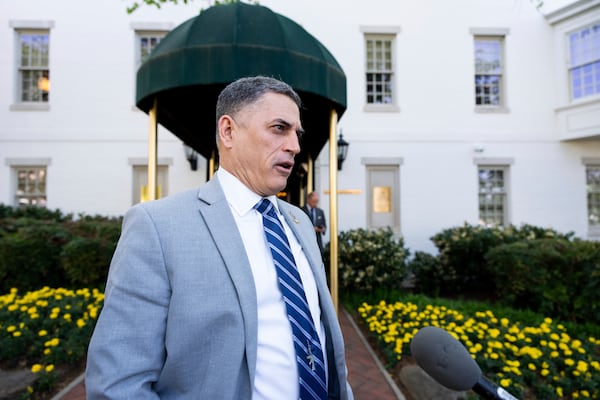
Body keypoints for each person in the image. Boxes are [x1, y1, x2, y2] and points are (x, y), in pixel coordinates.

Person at [85, 76, 354, 400]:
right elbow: (118, 384)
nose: (294, 146)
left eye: (296, 133)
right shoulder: (157, 227)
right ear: (228, 131)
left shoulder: (298, 222)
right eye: (279, 128)